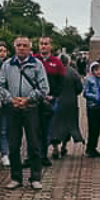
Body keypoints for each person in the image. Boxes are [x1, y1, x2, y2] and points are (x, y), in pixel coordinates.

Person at [0, 36, 49, 190]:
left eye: (25, 45)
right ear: (15, 47)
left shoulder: (37, 65)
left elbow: (44, 88)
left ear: (30, 48)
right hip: (12, 109)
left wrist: (28, 99)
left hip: (31, 108)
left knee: (34, 144)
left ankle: (35, 177)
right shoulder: (7, 65)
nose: (22, 48)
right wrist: (10, 99)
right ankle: (16, 178)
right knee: (13, 144)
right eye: (19, 45)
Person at [36, 36, 64, 165]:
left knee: (47, 128)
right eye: (41, 43)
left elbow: (61, 82)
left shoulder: (57, 62)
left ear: (51, 46)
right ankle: (33, 155)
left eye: (46, 44)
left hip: (51, 100)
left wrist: (53, 95)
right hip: (36, 99)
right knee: (34, 128)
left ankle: (43, 155)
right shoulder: (34, 60)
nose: (43, 46)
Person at [50, 54, 83, 156]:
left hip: (56, 102)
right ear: (68, 61)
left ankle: (55, 148)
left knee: (54, 126)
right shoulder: (73, 72)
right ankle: (64, 146)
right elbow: (79, 88)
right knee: (69, 125)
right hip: (70, 103)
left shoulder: (53, 71)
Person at [83, 61, 100, 158]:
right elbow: (85, 93)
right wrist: (95, 97)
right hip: (92, 106)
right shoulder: (89, 80)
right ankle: (90, 148)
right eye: (96, 70)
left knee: (97, 129)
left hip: (99, 106)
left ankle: (93, 147)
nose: (99, 72)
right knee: (92, 128)